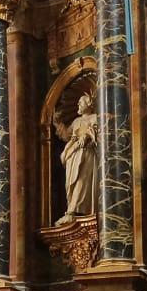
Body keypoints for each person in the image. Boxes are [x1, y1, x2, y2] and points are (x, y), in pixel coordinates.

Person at [53, 92, 98, 225]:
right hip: (73, 155)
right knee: (71, 183)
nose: (78, 104)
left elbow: (100, 132)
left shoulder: (95, 118)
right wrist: (57, 123)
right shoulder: (76, 121)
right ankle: (71, 208)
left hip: (87, 153)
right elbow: (66, 135)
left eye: (81, 102)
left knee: (82, 181)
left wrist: (88, 135)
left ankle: (73, 211)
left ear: (89, 104)